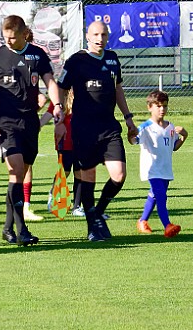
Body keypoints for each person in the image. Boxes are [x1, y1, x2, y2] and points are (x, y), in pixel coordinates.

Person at [0, 15, 63, 246]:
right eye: (5, 37)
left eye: (13, 37)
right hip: (6, 122)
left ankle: (7, 227)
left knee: (20, 173)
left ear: (24, 33)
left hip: (30, 123)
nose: (8, 41)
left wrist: (57, 106)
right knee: (16, 169)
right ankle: (22, 230)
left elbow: (50, 82)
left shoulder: (37, 55)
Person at [56, 20, 138, 241]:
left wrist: (128, 118)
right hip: (84, 128)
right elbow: (61, 88)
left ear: (108, 35)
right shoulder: (76, 61)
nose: (100, 38)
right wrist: (60, 118)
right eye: (95, 34)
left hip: (109, 127)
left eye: (103, 34)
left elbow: (118, 88)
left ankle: (98, 213)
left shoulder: (112, 58)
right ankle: (92, 226)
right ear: (87, 35)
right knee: (88, 178)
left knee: (119, 175)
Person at [133, 90, 187, 238]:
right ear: (150, 107)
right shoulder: (145, 127)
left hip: (165, 169)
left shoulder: (170, 127)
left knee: (154, 195)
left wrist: (184, 136)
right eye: (158, 106)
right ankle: (167, 226)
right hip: (152, 170)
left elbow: (174, 146)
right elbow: (133, 140)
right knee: (161, 196)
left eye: (164, 106)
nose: (162, 109)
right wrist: (131, 134)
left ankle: (143, 221)